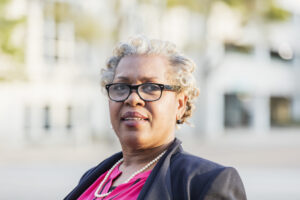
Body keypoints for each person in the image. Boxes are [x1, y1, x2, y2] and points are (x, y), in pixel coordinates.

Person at [64, 35, 247, 200]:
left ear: (180, 105)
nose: (132, 99)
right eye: (120, 87)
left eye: (151, 87)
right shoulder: (93, 178)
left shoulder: (204, 182)